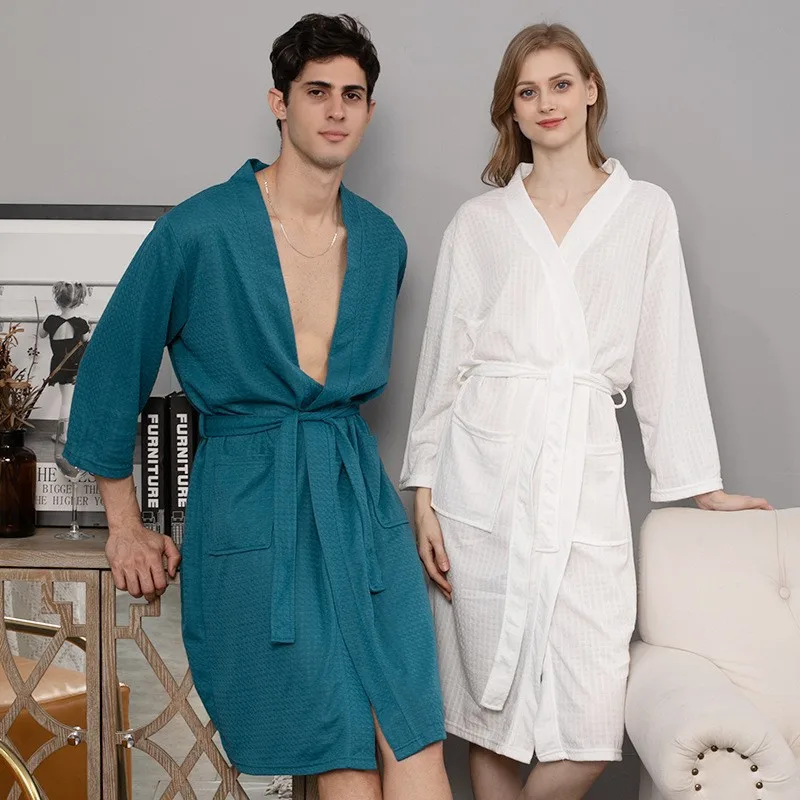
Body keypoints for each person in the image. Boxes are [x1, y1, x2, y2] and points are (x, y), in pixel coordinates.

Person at [63, 14, 451, 800]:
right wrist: (125, 524)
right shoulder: (200, 230)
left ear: (369, 111)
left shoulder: (383, 242)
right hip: (253, 507)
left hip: (357, 505)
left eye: (352, 95)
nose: (336, 110)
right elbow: (111, 370)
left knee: (416, 741)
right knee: (341, 751)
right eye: (317, 92)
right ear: (280, 102)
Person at [400, 22, 771, 800]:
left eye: (561, 84)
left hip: (582, 465)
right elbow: (444, 361)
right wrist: (423, 490)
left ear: (592, 89)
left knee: (593, 715)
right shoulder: (481, 222)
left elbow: (667, 347)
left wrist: (701, 485)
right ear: (511, 108)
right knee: (490, 709)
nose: (547, 103)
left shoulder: (644, 211)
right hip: (482, 473)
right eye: (527, 91)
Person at [39, 281, 91, 436]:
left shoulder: (50, 320)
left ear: (58, 299)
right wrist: (87, 324)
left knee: (66, 399)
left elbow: (42, 334)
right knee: (69, 401)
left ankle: (65, 433)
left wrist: (44, 321)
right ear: (78, 300)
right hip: (75, 366)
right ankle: (65, 434)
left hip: (59, 364)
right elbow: (87, 339)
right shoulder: (81, 322)